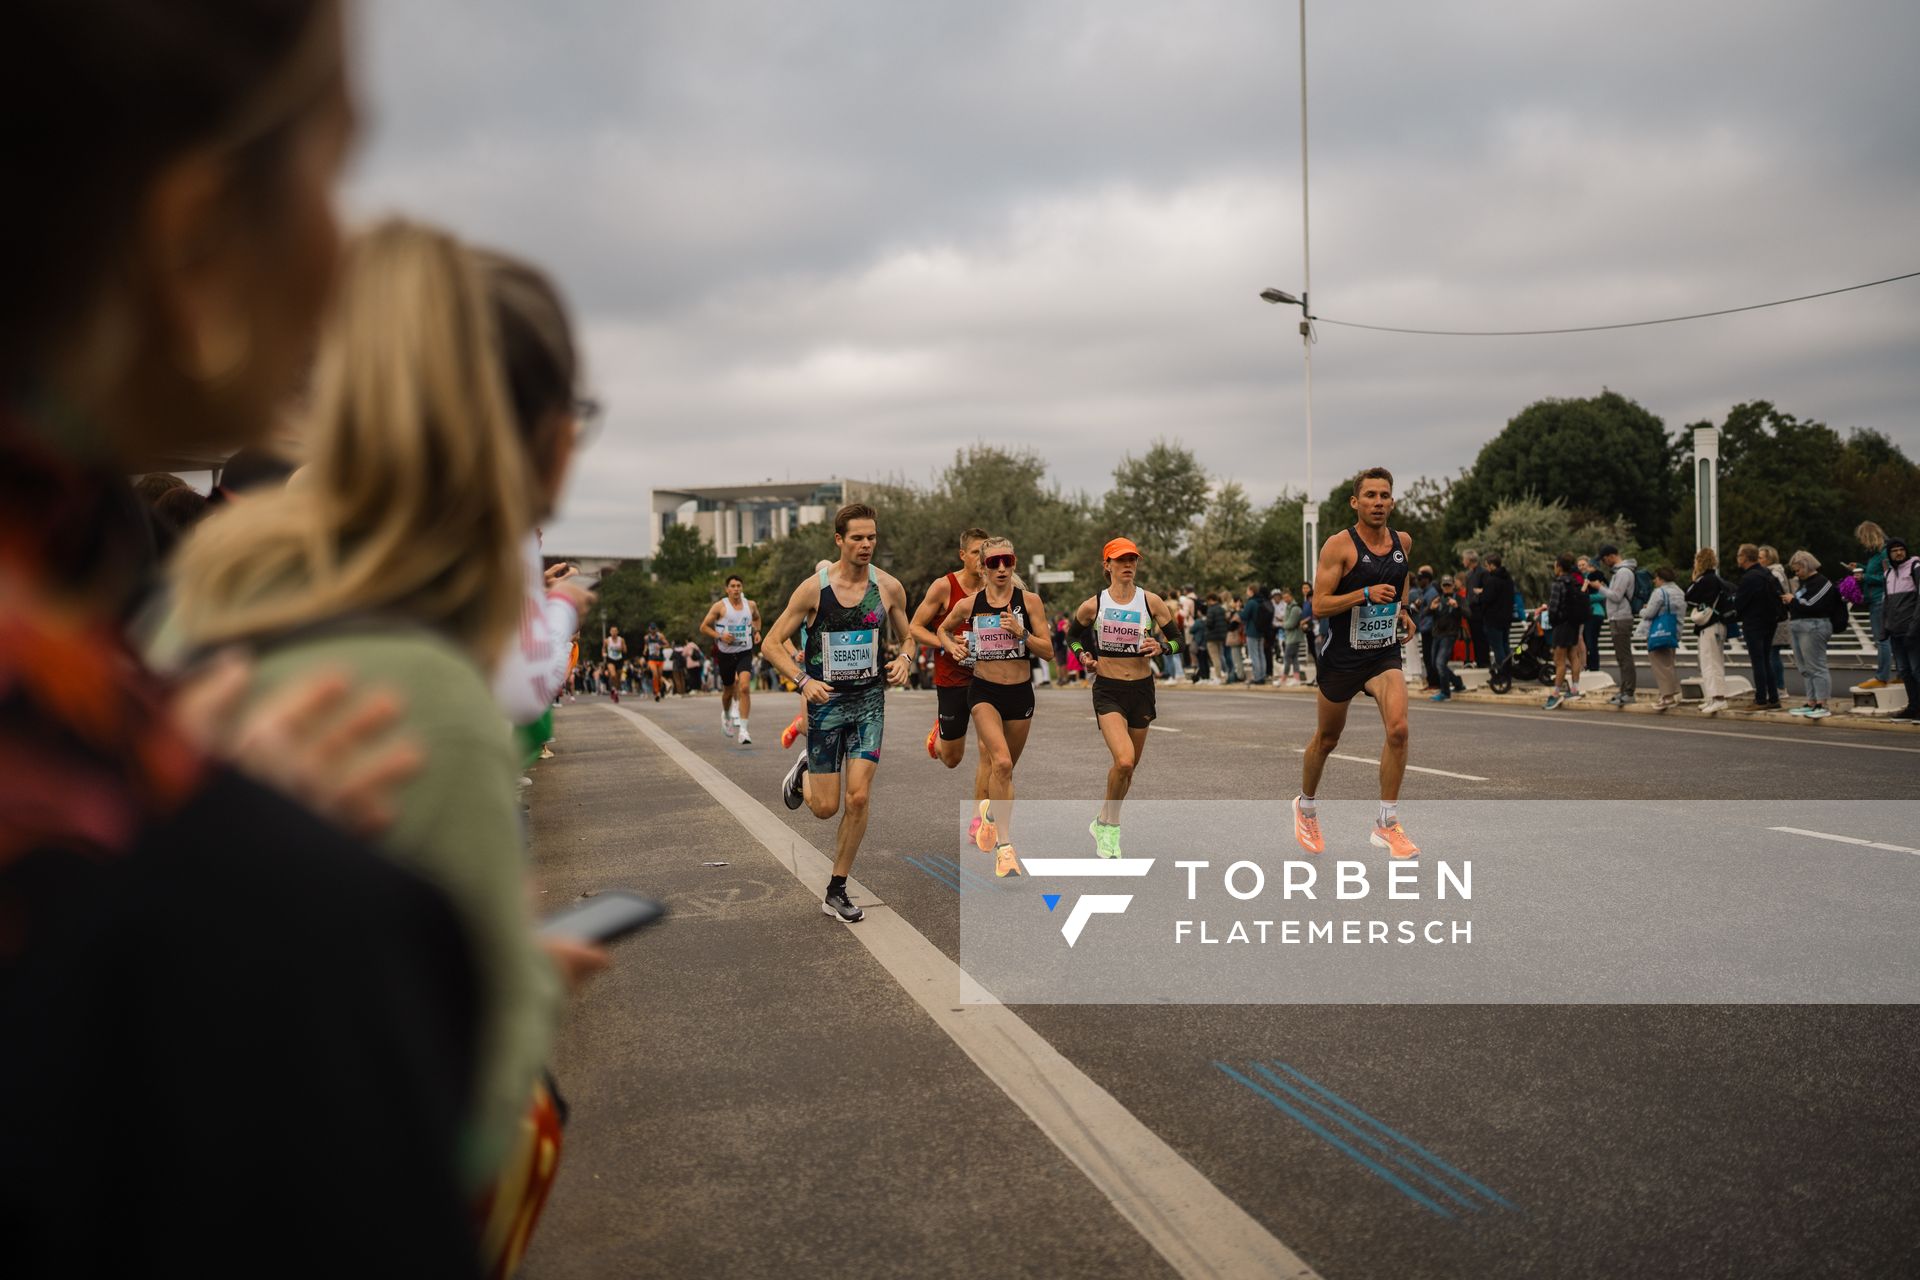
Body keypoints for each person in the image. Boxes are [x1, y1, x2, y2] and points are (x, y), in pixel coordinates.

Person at [0, 5, 497, 1272]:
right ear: (193, 240)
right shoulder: (248, 919)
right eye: (330, 168)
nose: (341, 255)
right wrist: (223, 848)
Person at [169, 224, 616, 1269]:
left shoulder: (194, 611)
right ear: (546, 436)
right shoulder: (419, 690)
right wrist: (525, 982)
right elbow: (461, 1114)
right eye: (578, 416)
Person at [762, 505, 916, 922]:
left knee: (859, 796)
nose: (866, 545)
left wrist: (905, 659)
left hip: (868, 703)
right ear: (839, 541)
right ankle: (804, 773)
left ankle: (837, 889)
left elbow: (910, 637)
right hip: (826, 704)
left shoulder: (888, 588)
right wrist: (802, 680)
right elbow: (771, 643)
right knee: (826, 808)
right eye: (857, 538)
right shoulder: (814, 589)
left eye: (871, 538)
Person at [1291, 468, 1420, 859]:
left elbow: (1402, 578)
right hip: (1342, 658)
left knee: (1398, 729)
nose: (1378, 502)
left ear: (1392, 502)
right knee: (1327, 739)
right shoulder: (1338, 546)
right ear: (1355, 502)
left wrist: (1404, 610)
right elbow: (1319, 605)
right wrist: (1363, 594)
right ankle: (1306, 805)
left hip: (1382, 652)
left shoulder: (1403, 542)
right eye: (1370, 496)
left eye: (1384, 496)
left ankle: (1387, 822)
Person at [1062, 538, 1182, 857]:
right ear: (1107, 566)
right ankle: (1111, 828)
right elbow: (1072, 637)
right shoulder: (1095, 605)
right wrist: (1083, 656)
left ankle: (1103, 820)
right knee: (1124, 759)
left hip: (1142, 690)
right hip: (1109, 690)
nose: (1128, 565)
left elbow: (1178, 640)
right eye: (1121, 560)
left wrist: (1162, 648)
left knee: (1128, 770)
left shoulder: (1151, 602)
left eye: (1132, 560)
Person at [938, 537, 1051, 876]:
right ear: (982, 567)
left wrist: (1022, 633)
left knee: (1005, 772)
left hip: (1020, 695)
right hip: (984, 692)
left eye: (1007, 561)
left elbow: (1047, 651)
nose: (1001, 568)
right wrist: (952, 647)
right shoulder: (970, 605)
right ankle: (1005, 849)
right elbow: (942, 630)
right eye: (993, 563)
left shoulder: (1029, 602)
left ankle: (989, 814)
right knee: (999, 761)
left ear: (1014, 563)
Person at [910, 527, 992, 818]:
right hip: (952, 679)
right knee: (952, 759)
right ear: (963, 555)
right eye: (975, 553)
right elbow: (916, 627)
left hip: (987, 678)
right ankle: (939, 738)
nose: (982, 559)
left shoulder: (996, 585)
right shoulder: (944, 586)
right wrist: (945, 643)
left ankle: (980, 820)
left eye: (986, 553)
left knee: (990, 751)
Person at [700, 573, 762, 742]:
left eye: (738, 586)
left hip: (744, 651)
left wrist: (756, 632)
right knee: (728, 691)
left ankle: (743, 730)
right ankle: (727, 715)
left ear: (742, 588)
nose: (736, 589)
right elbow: (704, 627)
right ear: (727, 589)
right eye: (733, 586)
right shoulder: (720, 607)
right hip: (725, 653)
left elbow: (756, 619)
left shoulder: (750, 605)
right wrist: (720, 636)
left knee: (744, 687)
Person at [1784, 550, 1845, 719]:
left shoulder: (1822, 582)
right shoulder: (1804, 584)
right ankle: (1811, 701)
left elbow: (1812, 604)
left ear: (1807, 565)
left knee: (1816, 666)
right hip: (1799, 625)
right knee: (1805, 667)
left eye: (1798, 570)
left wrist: (1793, 601)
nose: (1797, 573)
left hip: (1814, 626)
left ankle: (1822, 703)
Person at [1732, 544, 1785, 710]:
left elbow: (1740, 603)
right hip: (1770, 621)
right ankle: (1774, 697)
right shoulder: (1766, 573)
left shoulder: (1749, 578)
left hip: (1754, 623)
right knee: (1766, 659)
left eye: (1739, 556)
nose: (1737, 559)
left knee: (1758, 661)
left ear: (1744, 557)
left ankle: (1761, 699)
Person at [1685, 548, 1734, 714]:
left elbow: (1689, 596)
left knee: (1710, 662)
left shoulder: (1705, 580)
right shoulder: (1718, 580)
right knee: (1714, 661)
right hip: (1719, 624)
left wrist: (1694, 578)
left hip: (1710, 626)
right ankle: (1714, 697)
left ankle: (1718, 698)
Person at [1594, 544, 1640, 704]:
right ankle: (1624, 690)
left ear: (1612, 556)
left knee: (1624, 656)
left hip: (1621, 618)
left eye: (1605, 559)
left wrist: (1599, 587)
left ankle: (1629, 692)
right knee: (1621, 657)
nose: (1605, 562)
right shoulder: (1619, 573)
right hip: (1617, 617)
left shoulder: (1623, 572)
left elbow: (1616, 596)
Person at [1544, 554, 1588, 710]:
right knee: (1573, 656)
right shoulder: (1575, 581)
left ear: (1560, 567)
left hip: (1561, 625)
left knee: (1559, 660)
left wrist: (1551, 620)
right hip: (1574, 624)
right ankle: (1575, 689)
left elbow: (1554, 606)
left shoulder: (1558, 583)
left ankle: (1556, 694)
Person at [1852, 522, 1893, 688]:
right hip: (1876, 600)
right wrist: (1860, 568)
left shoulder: (1883, 554)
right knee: (1891, 640)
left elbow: (1888, 577)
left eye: (1862, 538)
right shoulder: (1877, 555)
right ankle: (1901, 674)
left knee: (1882, 640)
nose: (1862, 542)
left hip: (1880, 600)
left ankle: (1882, 677)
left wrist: (1865, 578)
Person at [1880, 537, 1916, 721]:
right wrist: (1884, 629)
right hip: (1896, 631)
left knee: (1917, 669)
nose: (1898, 553)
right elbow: (1886, 603)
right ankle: (1914, 707)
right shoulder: (1888, 574)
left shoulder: (1915, 567)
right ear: (1889, 554)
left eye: (1901, 549)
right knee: (1904, 670)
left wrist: (1914, 627)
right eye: (1894, 550)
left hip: (1914, 631)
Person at [1641, 567, 1687, 709]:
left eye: (1656, 578)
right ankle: (1671, 694)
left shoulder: (1659, 592)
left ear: (1661, 578)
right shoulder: (1680, 591)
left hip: (1659, 632)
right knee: (1669, 663)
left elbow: (1649, 613)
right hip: (1674, 630)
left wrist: (1643, 609)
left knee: (1660, 665)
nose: (1655, 581)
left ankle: (1667, 697)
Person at [1757, 545, 1791, 696]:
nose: (1758, 560)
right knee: (1772, 653)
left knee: (1772, 653)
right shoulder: (1779, 572)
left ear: (1769, 559)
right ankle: (1777, 686)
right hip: (1779, 618)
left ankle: (1779, 687)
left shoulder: (1773, 574)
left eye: (1760, 557)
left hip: (1776, 619)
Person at [1428, 576, 1464, 700]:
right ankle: (1458, 683)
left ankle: (1445, 692)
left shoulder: (1459, 598)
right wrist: (1430, 609)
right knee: (1434, 664)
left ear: (1453, 586)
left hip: (1449, 635)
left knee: (1440, 663)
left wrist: (1457, 606)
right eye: (1445, 585)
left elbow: (1469, 613)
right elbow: (1425, 613)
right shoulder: (1438, 599)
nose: (1447, 588)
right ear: (1442, 586)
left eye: (1449, 585)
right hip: (1437, 634)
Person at [1479, 553, 1516, 672]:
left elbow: (1487, 599)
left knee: (1497, 646)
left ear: (1492, 566)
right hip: (1506, 617)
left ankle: (1502, 671)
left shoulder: (1492, 580)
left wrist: (1481, 595)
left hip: (1493, 619)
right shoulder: (1508, 579)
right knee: (1505, 644)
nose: (1486, 568)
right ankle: (1509, 669)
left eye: (1487, 566)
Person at [1576, 555, 1606, 674]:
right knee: (1584, 642)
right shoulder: (1579, 579)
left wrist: (1585, 598)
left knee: (1591, 641)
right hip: (1585, 614)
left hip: (1595, 612)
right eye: (1579, 565)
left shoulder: (1594, 577)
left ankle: (1594, 668)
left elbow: (1602, 594)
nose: (1581, 567)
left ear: (1589, 565)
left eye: (1583, 564)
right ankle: (1587, 665)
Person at [1409, 567, 1438, 689]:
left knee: (1430, 656)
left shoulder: (1431, 592)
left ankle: (1434, 682)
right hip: (1425, 628)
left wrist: (1421, 609)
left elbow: (1432, 611)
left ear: (1427, 579)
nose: (1419, 581)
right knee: (1427, 656)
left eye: (1421, 579)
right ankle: (1432, 681)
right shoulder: (1425, 592)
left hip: (1430, 629)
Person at [1240, 583, 1273, 685]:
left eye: (1247, 590)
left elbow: (1244, 616)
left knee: (1254, 655)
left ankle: (1258, 677)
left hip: (1252, 631)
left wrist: (1239, 611)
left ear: (1251, 591)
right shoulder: (1262, 601)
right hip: (1261, 631)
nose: (1246, 592)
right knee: (1261, 654)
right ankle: (1262, 675)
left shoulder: (1251, 603)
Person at [643, 623, 668, 700]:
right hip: (651, 659)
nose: (653, 631)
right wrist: (645, 650)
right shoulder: (646, 638)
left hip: (660, 658)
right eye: (652, 629)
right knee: (655, 674)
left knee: (659, 676)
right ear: (649, 629)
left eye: (654, 629)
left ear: (656, 629)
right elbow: (646, 645)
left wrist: (660, 646)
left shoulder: (660, 636)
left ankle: (661, 690)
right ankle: (656, 692)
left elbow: (667, 644)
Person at [605, 624, 629, 696]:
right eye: (612, 631)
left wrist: (621, 649)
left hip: (619, 659)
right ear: (610, 632)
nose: (614, 632)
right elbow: (603, 649)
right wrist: (603, 653)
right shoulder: (607, 640)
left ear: (617, 632)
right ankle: (613, 688)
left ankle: (616, 688)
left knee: (618, 677)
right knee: (613, 675)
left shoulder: (621, 640)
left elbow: (625, 651)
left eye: (615, 631)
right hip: (610, 659)